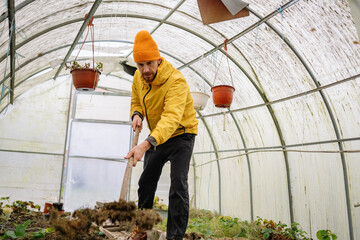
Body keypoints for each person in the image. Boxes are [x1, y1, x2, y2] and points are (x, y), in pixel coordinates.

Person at [125, 30, 198, 240]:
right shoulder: (138, 77)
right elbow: (136, 100)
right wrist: (136, 114)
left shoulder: (176, 81)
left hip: (182, 134)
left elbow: (171, 119)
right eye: (140, 65)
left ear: (158, 59)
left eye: (149, 63)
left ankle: (174, 236)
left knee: (178, 184)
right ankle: (141, 230)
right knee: (146, 181)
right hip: (158, 134)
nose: (145, 70)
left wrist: (145, 145)